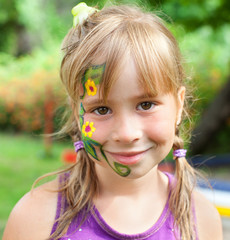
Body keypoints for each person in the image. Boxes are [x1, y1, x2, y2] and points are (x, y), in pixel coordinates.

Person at [3, 3, 222, 240]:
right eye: (102, 109)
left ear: (179, 106)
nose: (127, 134)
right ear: (78, 113)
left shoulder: (200, 219)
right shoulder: (36, 218)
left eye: (146, 105)